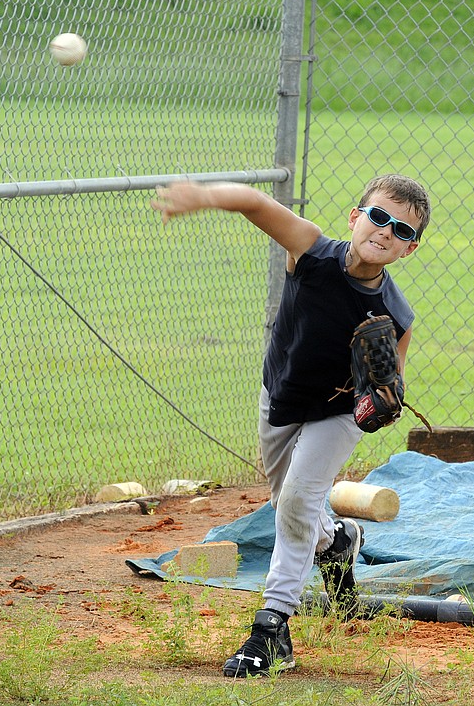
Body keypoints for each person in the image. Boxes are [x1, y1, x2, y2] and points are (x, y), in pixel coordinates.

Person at [151, 173, 431, 677]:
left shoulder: (395, 313)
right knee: (288, 502)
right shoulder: (311, 250)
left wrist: (385, 399)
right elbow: (256, 202)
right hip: (280, 396)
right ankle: (337, 543)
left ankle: (272, 626)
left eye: (403, 231)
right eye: (380, 216)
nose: (386, 232)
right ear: (356, 216)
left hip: (338, 412)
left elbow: (392, 387)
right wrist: (204, 197)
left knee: (299, 500)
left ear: (410, 249)